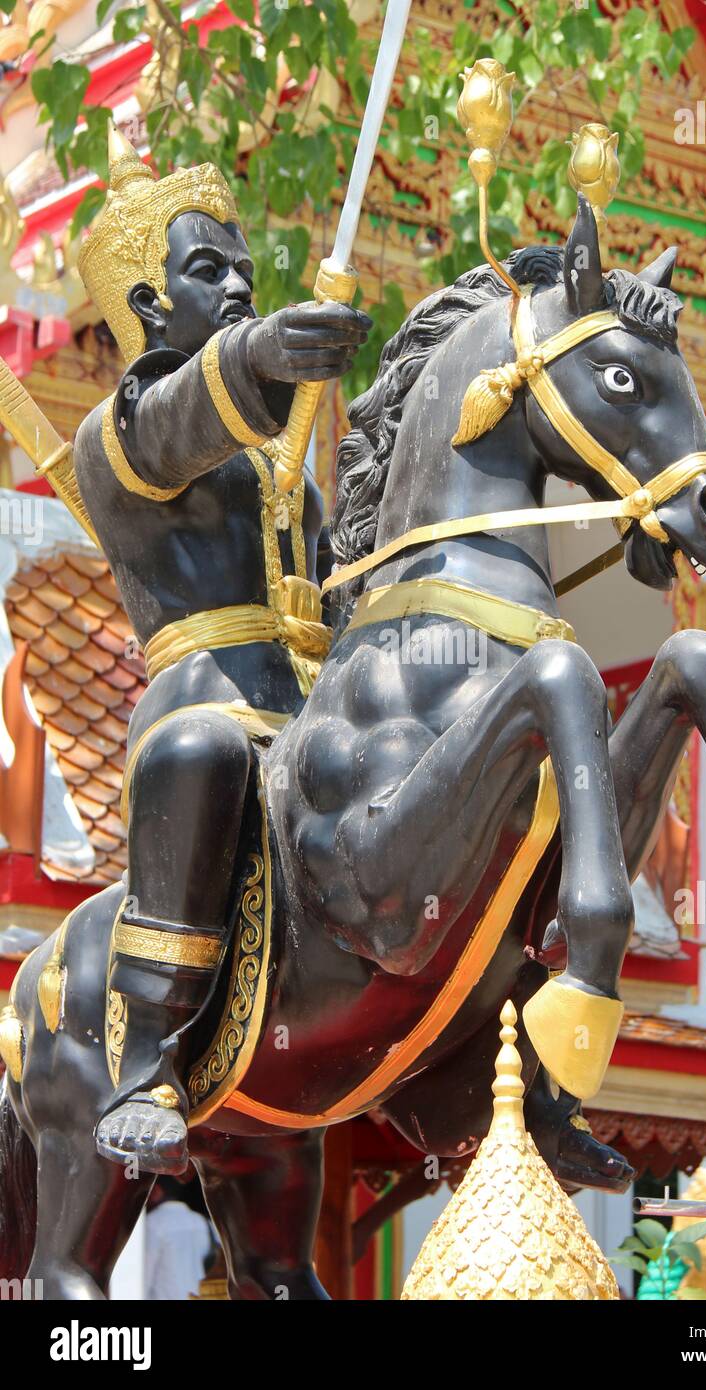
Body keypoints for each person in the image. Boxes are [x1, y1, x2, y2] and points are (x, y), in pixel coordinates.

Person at [73, 125, 370, 1175]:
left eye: (244, 267)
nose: (240, 282)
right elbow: (172, 427)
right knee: (200, 750)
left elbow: (349, 586)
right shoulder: (119, 439)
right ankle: (147, 1056)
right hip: (207, 706)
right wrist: (250, 356)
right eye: (211, 270)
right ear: (151, 306)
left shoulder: (287, 475)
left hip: (312, 711)